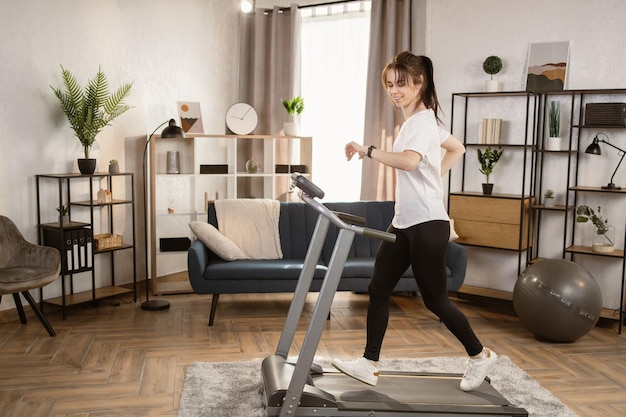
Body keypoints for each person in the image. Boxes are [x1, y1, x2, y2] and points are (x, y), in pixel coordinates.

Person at [332, 51, 497, 392]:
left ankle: (481, 357)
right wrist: (432, 176)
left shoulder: (419, 123)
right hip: (406, 222)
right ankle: (369, 362)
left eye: (402, 84)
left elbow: (408, 163)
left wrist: (368, 151)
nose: (395, 91)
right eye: (390, 84)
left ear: (419, 83)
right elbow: (458, 148)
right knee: (378, 288)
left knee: (436, 301)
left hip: (426, 224)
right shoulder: (428, 124)